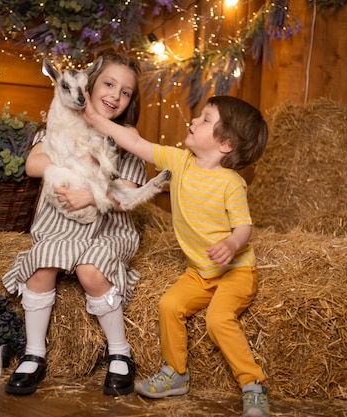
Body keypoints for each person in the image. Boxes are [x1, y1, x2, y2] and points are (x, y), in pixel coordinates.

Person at [84, 95, 271, 416]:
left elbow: (244, 227)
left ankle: (252, 385)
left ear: (225, 144)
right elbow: (134, 141)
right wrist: (94, 117)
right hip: (200, 271)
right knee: (169, 305)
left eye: (206, 119)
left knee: (218, 320)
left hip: (236, 272)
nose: (194, 121)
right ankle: (176, 373)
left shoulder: (231, 184)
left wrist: (231, 244)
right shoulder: (179, 162)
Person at [2, 49, 145, 397]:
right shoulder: (62, 125)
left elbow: (126, 192)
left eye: (125, 92)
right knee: (42, 264)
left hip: (108, 224)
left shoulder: (125, 136)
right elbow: (33, 165)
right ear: (89, 85)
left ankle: (120, 353)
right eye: (109, 84)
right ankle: (34, 354)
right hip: (62, 222)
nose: (115, 94)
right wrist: (70, 157)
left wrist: (92, 195)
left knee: (89, 269)